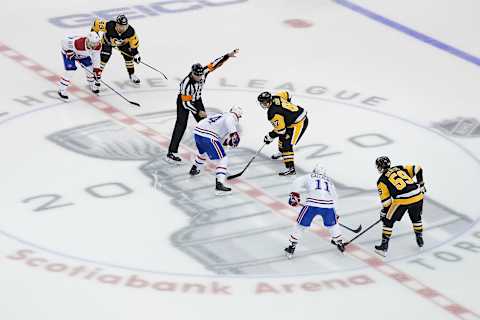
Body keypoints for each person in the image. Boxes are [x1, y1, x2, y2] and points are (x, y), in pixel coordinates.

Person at [166, 49, 239, 163]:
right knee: (181, 125)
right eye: (197, 75)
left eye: (200, 75)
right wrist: (198, 111)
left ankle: (214, 144)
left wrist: (227, 56)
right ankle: (172, 152)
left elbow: (215, 64)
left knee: (207, 124)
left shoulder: (203, 72)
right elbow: (186, 104)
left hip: (197, 99)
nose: (199, 77)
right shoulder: (186, 84)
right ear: (192, 73)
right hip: (184, 102)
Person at [284, 164, 344, 258]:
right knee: (333, 225)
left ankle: (292, 246)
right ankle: (339, 241)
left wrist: (294, 195)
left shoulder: (309, 176)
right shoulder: (329, 181)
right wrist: (336, 212)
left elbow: (297, 182)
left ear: (314, 171)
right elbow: (335, 196)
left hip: (312, 204)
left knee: (301, 225)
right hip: (328, 205)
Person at [374, 156, 426, 257]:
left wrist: (385, 213)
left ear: (379, 167)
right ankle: (420, 239)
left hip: (403, 199)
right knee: (416, 218)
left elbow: (387, 203)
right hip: (418, 195)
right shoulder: (400, 168)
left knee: (388, 221)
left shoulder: (381, 180)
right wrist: (421, 184)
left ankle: (384, 247)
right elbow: (418, 168)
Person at [189, 107, 242, 195]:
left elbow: (212, 125)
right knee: (223, 159)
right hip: (208, 136)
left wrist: (228, 140)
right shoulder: (231, 117)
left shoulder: (220, 115)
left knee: (203, 152)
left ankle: (195, 168)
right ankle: (219, 185)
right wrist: (234, 133)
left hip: (197, 133)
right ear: (238, 115)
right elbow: (229, 121)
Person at [257, 91, 308, 176]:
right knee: (283, 137)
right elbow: (288, 94)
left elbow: (281, 130)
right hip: (294, 120)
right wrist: (288, 112)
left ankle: (290, 169)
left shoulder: (272, 113)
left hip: (299, 123)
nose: (263, 104)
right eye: (261, 102)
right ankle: (282, 152)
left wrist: (270, 136)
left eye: (264, 102)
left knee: (287, 144)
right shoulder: (277, 96)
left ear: (269, 100)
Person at [91, 14, 141, 84]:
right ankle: (96, 75)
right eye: (120, 26)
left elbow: (134, 42)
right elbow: (95, 24)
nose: (122, 28)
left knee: (129, 56)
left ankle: (132, 74)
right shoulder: (109, 25)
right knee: (104, 57)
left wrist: (135, 54)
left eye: (124, 26)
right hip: (107, 41)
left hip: (122, 43)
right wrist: (94, 37)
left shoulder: (130, 31)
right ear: (116, 24)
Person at [57, 32, 102, 100]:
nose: (95, 45)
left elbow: (96, 57)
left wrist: (96, 69)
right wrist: (68, 51)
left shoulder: (98, 45)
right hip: (71, 53)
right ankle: (61, 90)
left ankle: (92, 84)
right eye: (93, 43)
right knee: (70, 71)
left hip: (83, 55)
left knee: (90, 69)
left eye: (97, 42)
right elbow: (63, 42)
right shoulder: (78, 43)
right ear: (88, 41)